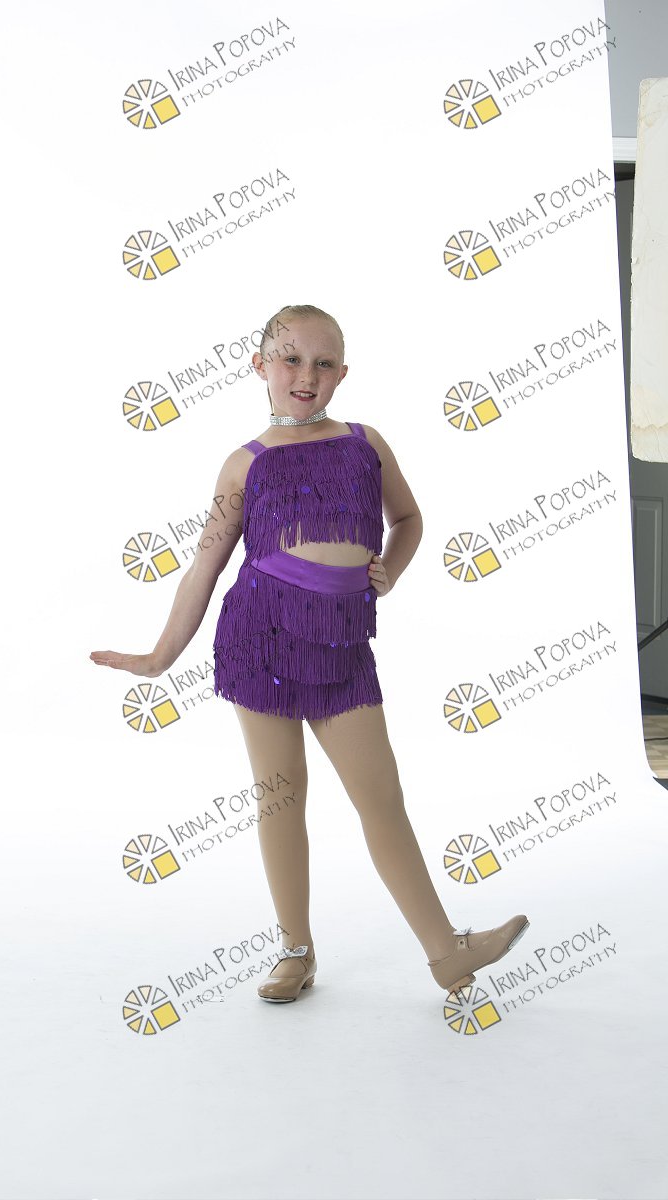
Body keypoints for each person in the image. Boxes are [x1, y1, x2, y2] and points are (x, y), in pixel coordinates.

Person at [90, 304, 529, 1003]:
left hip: (342, 646)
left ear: (342, 374)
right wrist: (158, 656)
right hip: (258, 638)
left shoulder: (365, 443)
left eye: (323, 363)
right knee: (280, 797)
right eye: (290, 358)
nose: (306, 374)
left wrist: (390, 570)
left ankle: (447, 952)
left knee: (381, 798)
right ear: (260, 366)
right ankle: (295, 951)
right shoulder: (244, 465)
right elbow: (204, 566)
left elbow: (409, 519)